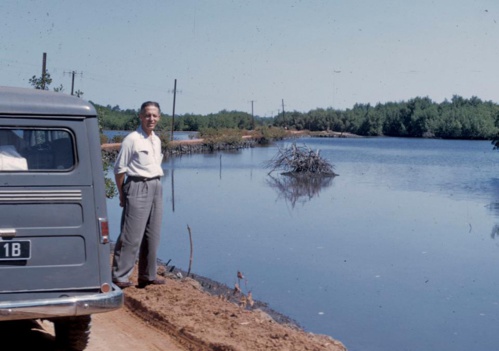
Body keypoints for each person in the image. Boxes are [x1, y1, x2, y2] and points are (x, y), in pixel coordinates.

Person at [112, 101, 165, 289]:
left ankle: (147, 275)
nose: (151, 119)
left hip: (156, 185)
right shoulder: (132, 139)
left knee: (153, 234)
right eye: (147, 115)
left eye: (154, 115)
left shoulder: (156, 140)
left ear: (159, 118)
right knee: (131, 235)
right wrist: (122, 193)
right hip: (137, 185)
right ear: (140, 117)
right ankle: (120, 276)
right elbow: (119, 170)